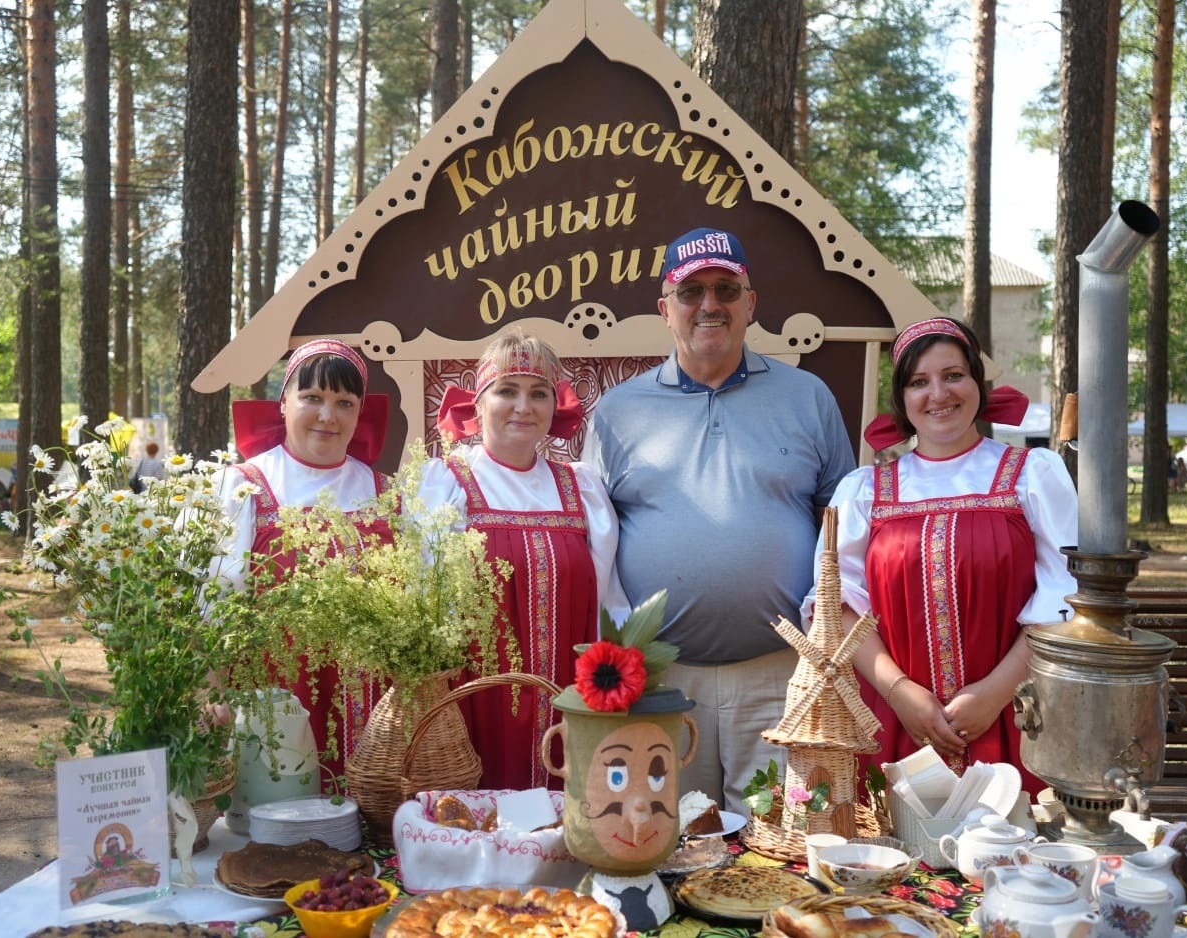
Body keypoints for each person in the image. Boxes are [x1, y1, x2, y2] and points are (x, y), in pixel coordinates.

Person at [582, 226, 856, 812]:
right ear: (666, 308)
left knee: (781, 842)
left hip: (781, 678)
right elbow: (590, 541)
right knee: (664, 837)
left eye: (726, 289)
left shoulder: (809, 397)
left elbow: (845, 531)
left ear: (750, 303)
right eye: (692, 291)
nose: (710, 304)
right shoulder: (617, 411)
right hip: (660, 679)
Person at [807, 317, 1078, 796]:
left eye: (953, 375)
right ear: (902, 399)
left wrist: (994, 694)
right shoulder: (865, 490)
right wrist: (901, 693)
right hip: (890, 720)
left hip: (1017, 714)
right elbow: (838, 605)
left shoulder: (1030, 475)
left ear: (977, 381)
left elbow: (1065, 596)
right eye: (919, 382)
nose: (938, 394)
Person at [421, 326, 630, 791]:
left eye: (538, 393)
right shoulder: (447, 483)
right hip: (477, 702)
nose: (523, 406)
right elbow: (428, 605)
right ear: (478, 403)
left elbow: (608, 602)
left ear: (555, 407)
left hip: (569, 702)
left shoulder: (582, 488)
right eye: (507, 391)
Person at [217, 338, 393, 783]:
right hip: (276, 695)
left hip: (371, 707)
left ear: (359, 413)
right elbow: (216, 596)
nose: (327, 415)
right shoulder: (246, 487)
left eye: (344, 402)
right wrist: (212, 688)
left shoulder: (388, 492)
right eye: (311, 398)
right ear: (283, 402)